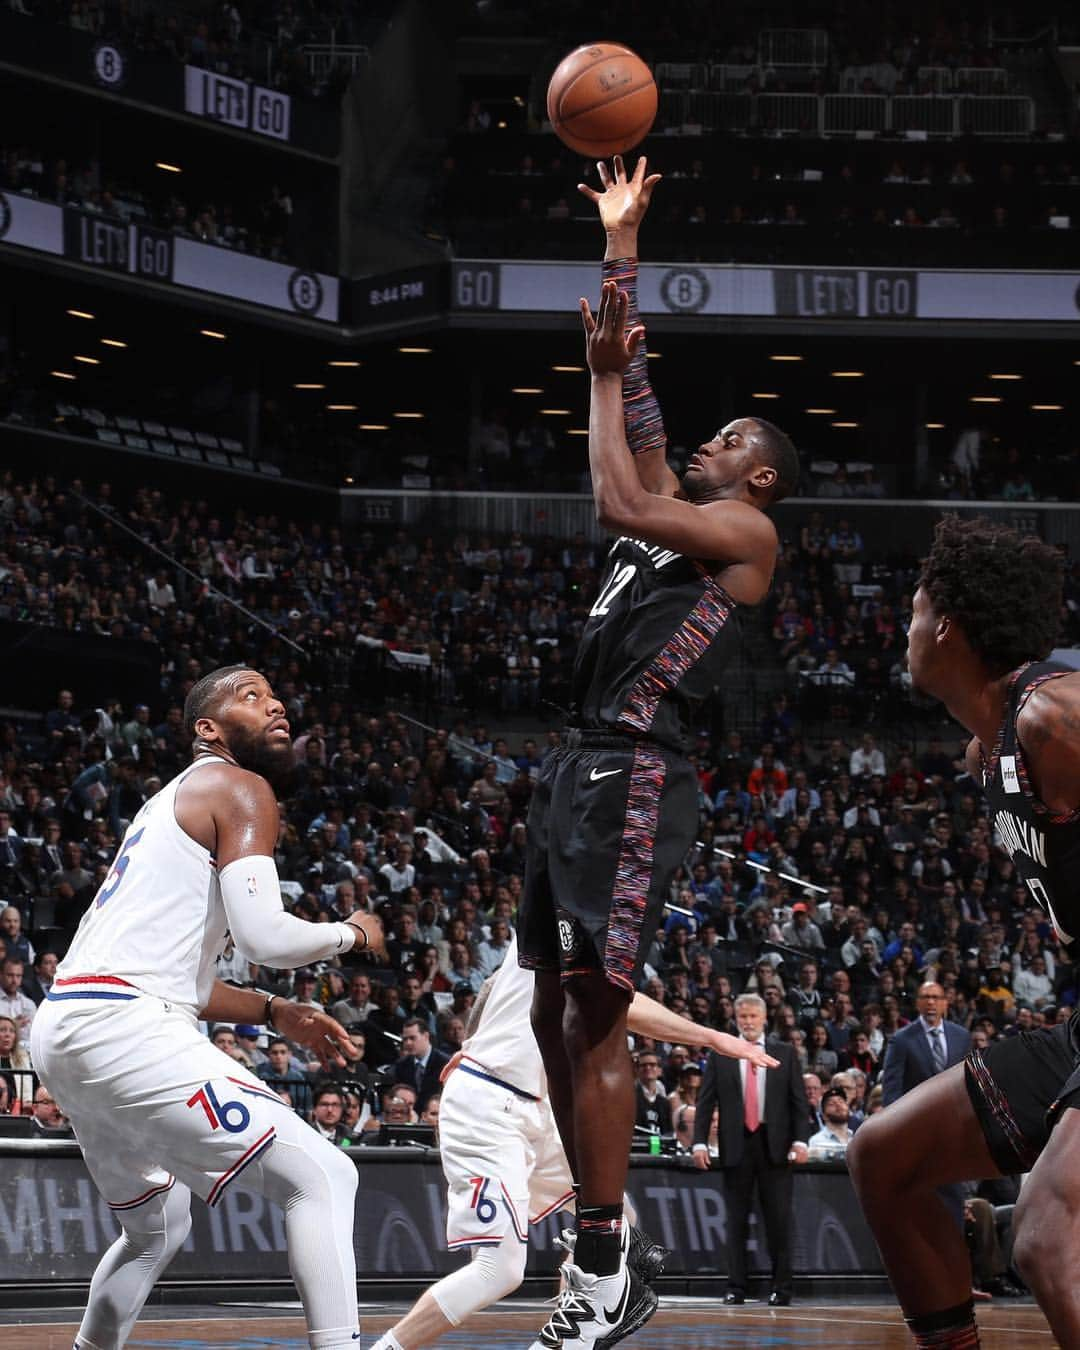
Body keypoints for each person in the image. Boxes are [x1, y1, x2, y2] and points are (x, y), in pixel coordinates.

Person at [518, 154, 797, 1350]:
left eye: (733, 438)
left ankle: (600, 1265)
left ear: (761, 476)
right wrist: (623, 246)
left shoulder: (741, 532)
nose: (712, 444)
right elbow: (634, 403)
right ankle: (605, 1243)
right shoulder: (680, 497)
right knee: (545, 1011)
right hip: (577, 766)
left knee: (594, 1015)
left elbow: (619, 498)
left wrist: (596, 380)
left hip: (634, 770)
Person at [30, 665, 386, 1350]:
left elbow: (179, 980)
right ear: (209, 728)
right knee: (323, 1174)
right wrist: (351, 935)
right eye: (250, 696)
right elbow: (264, 935)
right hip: (120, 1023)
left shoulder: (170, 802)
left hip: (73, 1024)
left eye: (275, 694)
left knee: (157, 1224)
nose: (275, 703)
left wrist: (276, 1012)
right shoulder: (238, 784)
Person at [848, 517, 1080, 1348]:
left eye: (910, 610)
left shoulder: (1054, 717)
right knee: (885, 1158)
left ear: (943, 624)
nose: (902, 629)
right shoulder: (991, 748)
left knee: (1048, 1235)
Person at [368, 930, 776, 1350]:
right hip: (489, 1100)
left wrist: (473, 1038)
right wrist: (711, 1037)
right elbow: (623, 1005)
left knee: (619, 1217)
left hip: (536, 1106)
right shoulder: (568, 915)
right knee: (499, 1270)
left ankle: (570, 1327)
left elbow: (493, 985)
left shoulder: (553, 921)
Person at [692, 993, 809, 1305]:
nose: (748, 1022)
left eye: (753, 1017)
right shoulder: (722, 1054)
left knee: (779, 1221)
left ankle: (782, 1289)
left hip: (775, 1146)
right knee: (736, 1221)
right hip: (736, 1145)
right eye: (742, 1017)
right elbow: (705, 1101)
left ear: (764, 1018)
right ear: (736, 1018)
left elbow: (798, 1101)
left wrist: (801, 1140)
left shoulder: (785, 1051)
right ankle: (735, 1287)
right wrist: (700, 1141)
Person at [807, 1087, 854, 1159]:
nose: (838, 1105)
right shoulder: (816, 1142)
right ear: (824, 1116)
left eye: (841, 1101)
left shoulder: (856, 1139)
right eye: (831, 1104)